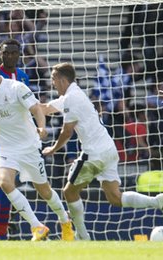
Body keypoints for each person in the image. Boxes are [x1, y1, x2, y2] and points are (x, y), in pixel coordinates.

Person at [41, 63, 163, 240]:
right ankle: (157, 201)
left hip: (94, 153)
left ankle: (82, 236)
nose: (52, 84)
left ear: (62, 79)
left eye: (53, 80)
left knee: (69, 192)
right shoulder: (74, 94)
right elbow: (45, 108)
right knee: (115, 197)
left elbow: (66, 131)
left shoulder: (71, 98)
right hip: (108, 149)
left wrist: (53, 149)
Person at [0, 52, 73, 241]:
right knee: (4, 182)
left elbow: (36, 109)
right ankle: (37, 227)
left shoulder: (16, 87)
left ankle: (64, 220)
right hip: (4, 150)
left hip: (28, 148)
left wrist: (42, 127)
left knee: (45, 191)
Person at [0, 38, 32, 240]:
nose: (10, 56)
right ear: (0, 53)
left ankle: (2, 232)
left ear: (19, 54)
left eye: (14, 52)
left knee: (9, 187)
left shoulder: (23, 77)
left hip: (19, 142)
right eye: (6, 52)